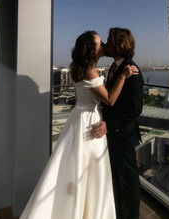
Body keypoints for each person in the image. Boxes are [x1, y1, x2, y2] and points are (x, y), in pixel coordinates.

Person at [20, 31, 138, 219]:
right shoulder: (90, 71)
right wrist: (123, 76)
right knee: (89, 168)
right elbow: (109, 99)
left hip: (79, 117)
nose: (104, 45)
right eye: (100, 43)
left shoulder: (79, 67)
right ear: (91, 50)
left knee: (76, 165)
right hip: (89, 120)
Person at [91, 27, 143, 219]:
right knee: (116, 181)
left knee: (127, 184)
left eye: (110, 42)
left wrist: (110, 125)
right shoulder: (116, 67)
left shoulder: (133, 71)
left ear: (119, 45)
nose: (106, 44)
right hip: (113, 137)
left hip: (123, 137)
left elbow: (136, 109)